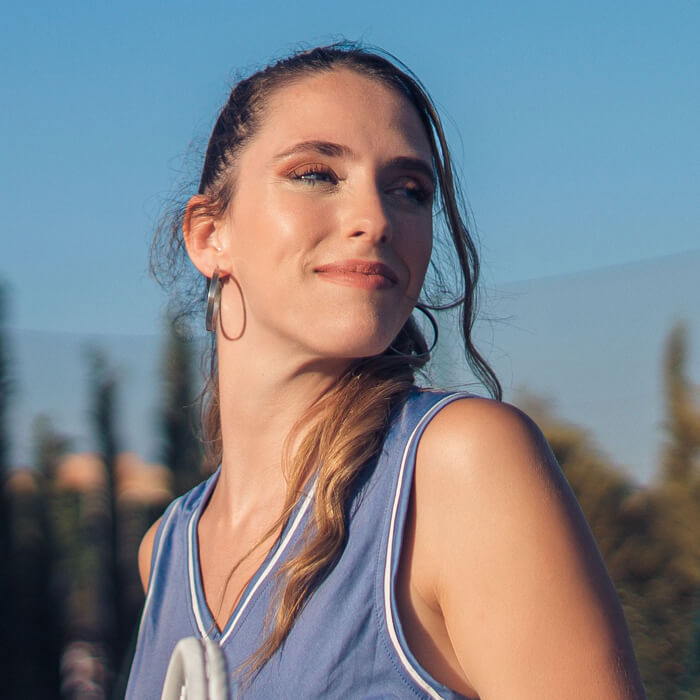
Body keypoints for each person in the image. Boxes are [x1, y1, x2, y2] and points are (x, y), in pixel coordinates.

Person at [126, 43, 646, 699]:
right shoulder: (166, 551)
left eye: (409, 191)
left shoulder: (458, 466)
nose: (374, 220)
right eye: (315, 174)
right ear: (209, 236)